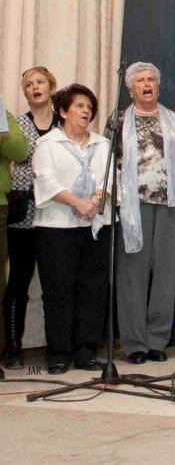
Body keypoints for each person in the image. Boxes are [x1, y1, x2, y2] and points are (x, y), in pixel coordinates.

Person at [106, 62, 175, 364]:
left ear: (159, 86)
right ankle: (134, 343)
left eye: (151, 80)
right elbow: (110, 165)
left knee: (166, 274)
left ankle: (157, 340)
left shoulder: (174, 121)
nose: (146, 84)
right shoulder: (118, 120)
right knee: (132, 275)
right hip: (133, 207)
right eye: (140, 80)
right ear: (130, 88)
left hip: (171, 207)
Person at [32, 84, 112, 375]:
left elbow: (110, 180)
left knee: (92, 288)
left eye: (89, 107)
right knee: (58, 290)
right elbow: (46, 181)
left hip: (95, 226)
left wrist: (93, 201)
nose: (86, 111)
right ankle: (59, 352)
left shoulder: (103, 145)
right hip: (56, 227)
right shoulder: (48, 144)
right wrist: (77, 202)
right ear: (63, 111)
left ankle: (86, 349)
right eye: (79, 106)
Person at [4, 66, 55, 369]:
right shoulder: (16, 125)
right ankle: (12, 347)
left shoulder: (64, 125)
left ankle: (57, 346)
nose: (34, 88)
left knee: (54, 284)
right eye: (28, 85)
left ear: (51, 87)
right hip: (23, 215)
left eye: (39, 82)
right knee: (18, 283)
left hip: (56, 216)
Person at [1, 103, 29, 380]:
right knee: (14, 281)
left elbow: (19, 151)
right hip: (14, 210)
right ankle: (10, 348)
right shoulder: (15, 118)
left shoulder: (4, 114)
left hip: (0, 203)